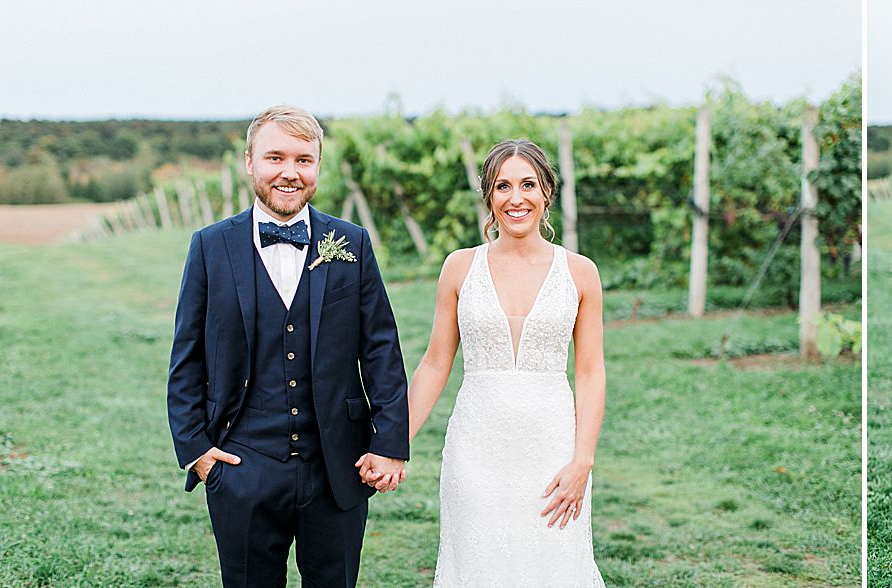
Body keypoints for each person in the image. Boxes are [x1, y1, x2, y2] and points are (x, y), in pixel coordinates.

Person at [166, 105, 409, 587]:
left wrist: (389, 444)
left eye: (303, 159)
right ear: (249, 162)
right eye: (275, 157)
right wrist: (197, 451)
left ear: (318, 165)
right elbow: (187, 357)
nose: (289, 172)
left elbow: (381, 349)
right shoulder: (210, 247)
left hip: (338, 467)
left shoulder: (352, 242)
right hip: (241, 465)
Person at [402, 139, 606, 586]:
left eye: (528, 184)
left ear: (546, 191)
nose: (516, 198)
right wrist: (395, 443)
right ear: (489, 197)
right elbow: (435, 363)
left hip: (553, 453)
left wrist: (582, 461)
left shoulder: (580, 272)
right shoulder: (459, 267)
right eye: (503, 186)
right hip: (476, 452)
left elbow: (591, 372)